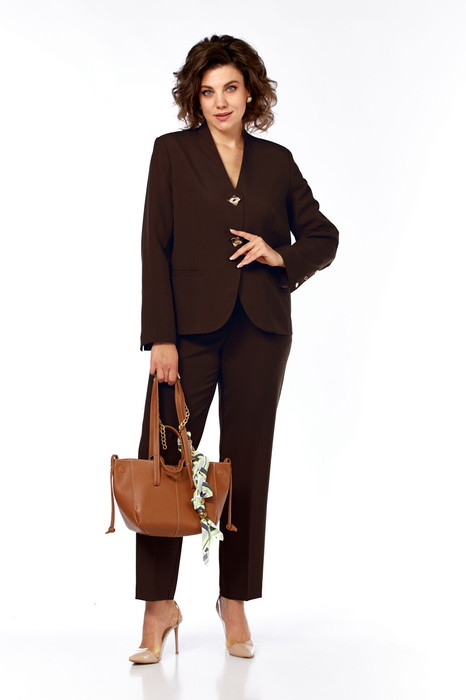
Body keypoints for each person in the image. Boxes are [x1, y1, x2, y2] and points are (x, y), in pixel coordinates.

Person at [129, 34, 339, 664]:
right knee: (166, 460)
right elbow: (154, 245)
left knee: (246, 465)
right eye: (207, 91)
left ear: (251, 93)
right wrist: (161, 336)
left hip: (260, 331)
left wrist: (281, 255)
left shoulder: (277, 162)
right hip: (187, 334)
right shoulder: (171, 152)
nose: (220, 101)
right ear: (195, 98)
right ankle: (158, 607)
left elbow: (324, 236)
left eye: (231, 88)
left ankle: (235, 600)